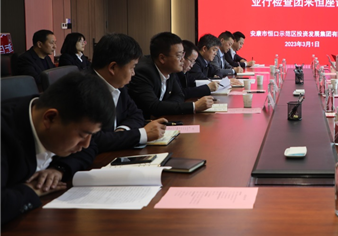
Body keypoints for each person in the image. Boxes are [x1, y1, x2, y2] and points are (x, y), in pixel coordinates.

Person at [1, 72, 114, 225]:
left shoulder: (52, 115)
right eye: (82, 135)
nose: (86, 144)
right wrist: (31, 190)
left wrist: (58, 169)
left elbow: (91, 147)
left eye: (91, 135)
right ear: (50, 118)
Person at [90, 33, 168, 151]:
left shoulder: (118, 85)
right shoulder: (84, 91)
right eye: (132, 67)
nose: (133, 73)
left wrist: (122, 131)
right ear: (113, 68)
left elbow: (136, 114)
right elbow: (94, 140)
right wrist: (141, 134)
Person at [128, 32, 214, 118]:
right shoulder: (144, 72)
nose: (182, 59)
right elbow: (153, 106)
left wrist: (164, 106)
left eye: (183, 55)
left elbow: (180, 95)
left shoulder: (170, 69)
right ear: (162, 58)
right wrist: (194, 106)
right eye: (179, 56)